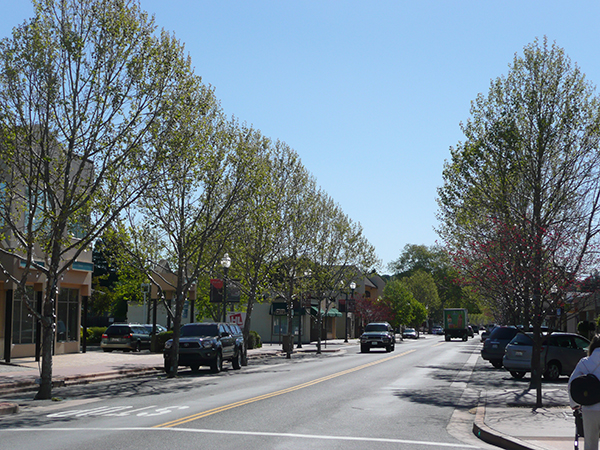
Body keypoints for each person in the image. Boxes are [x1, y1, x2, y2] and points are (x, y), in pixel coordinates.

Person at [569, 334, 600, 450]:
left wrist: (574, 405)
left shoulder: (584, 362)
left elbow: (572, 384)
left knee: (590, 444)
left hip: (589, 409)